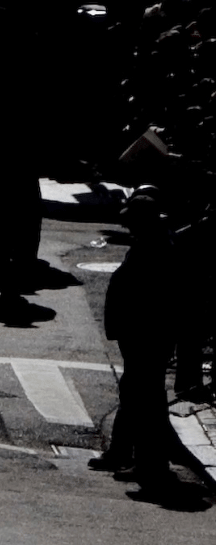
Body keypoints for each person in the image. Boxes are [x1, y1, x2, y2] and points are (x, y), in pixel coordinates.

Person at [90, 190, 198, 480]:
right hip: (143, 333)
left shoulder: (157, 248)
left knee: (145, 399)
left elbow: (152, 297)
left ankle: (149, 463)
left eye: (132, 223)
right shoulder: (153, 243)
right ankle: (123, 452)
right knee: (134, 394)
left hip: (148, 334)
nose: (128, 228)